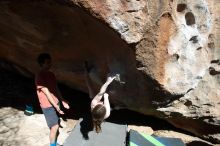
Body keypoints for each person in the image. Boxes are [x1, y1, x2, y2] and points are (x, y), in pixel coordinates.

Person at [35, 53, 70, 146]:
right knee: (55, 127)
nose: (50, 64)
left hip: (55, 103)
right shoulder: (40, 76)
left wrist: (62, 100)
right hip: (48, 106)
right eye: (47, 62)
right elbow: (46, 92)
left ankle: (54, 141)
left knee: (55, 124)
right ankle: (53, 145)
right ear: (42, 64)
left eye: (50, 62)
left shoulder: (51, 74)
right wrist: (56, 107)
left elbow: (56, 88)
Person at [84, 62, 117, 133]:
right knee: (105, 89)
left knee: (90, 87)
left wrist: (108, 82)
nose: (101, 102)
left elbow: (101, 93)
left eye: (100, 103)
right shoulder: (107, 113)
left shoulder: (93, 103)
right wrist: (108, 82)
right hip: (98, 114)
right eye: (102, 104)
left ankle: (86, 73)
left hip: (94, 102)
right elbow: (105, 95)